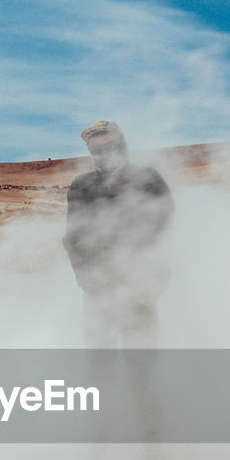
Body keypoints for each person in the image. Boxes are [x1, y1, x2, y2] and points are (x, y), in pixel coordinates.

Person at [63, 121, 174, 348]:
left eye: (110, 146)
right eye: (97, 150)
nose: (104, 153)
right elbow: (73, 238)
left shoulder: (148, 178)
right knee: (100, 353)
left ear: (122, 146)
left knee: (141, 352)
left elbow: (165, 226)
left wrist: (155, 279)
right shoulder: (81, 185)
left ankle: (143, 385)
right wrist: (85, 279)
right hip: (98, 287)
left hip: (140, 285)